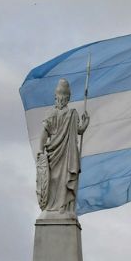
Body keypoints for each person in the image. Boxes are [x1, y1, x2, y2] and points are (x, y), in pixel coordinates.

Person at [37, 78, 90, 216]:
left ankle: (64, 207)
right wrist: (40, 149)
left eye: (64, 94)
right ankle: (51, 207)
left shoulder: (72, 113)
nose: (62, 97)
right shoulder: (51, 113)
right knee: (53, 180)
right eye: (60, 94)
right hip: (53, 154)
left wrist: (85, 123)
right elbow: (44, 132)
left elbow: (78, 131)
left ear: (68, 97)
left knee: (64, 180)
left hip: (68, 153)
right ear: (56, 96)